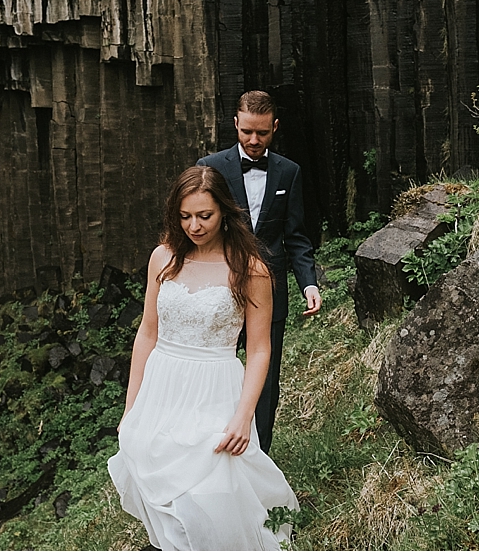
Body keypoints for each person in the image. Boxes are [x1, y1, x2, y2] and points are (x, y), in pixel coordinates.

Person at [108, 166, 299, 551]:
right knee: (160, 484)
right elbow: (148, 332)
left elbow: (260, 348)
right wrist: (131, 407)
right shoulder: (163, 258)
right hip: (162, 385)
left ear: (225, 212)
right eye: (185, 216)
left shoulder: (251, 268)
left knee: (211, 486)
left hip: (215, 385)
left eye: (204, 216)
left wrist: (244, 416)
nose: (194, 226)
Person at [197, 90, 321, 454]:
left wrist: (309, 284)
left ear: (275, 128)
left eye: (262, 133)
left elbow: (296, 237)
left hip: (270, 292)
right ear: (235, 124)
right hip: (218, 289)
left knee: (265, 381)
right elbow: (197, 228)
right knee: (214, 371)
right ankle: (209, 449)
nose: (254, 141)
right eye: (247, 131)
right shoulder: (210, 167)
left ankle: (258, 458)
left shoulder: (289, 171)